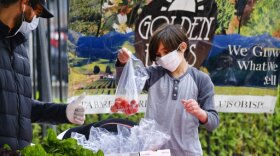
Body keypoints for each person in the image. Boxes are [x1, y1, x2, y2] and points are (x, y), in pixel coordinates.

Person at [116, 24, 220, 156]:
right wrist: (123, 64)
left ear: (182, 47)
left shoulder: (201, 80)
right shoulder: (153, 75)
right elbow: (126, 84)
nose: (163, 58)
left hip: (188, 152)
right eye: (158, 55)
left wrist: (200, 113)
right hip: (153, 152)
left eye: (166, 52)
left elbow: (213, 122)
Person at [0, 0, 85, 150]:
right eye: (37, 11)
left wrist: (64, 112)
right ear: (24, 3)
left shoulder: (19, 49)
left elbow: (21, 107)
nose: (35, 18)